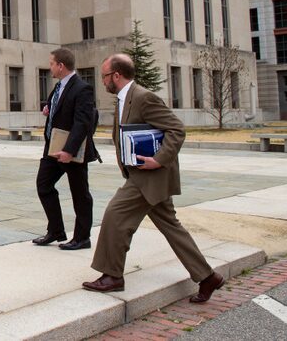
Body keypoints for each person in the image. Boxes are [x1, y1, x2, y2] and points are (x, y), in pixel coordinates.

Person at [82, 54, 224, 303]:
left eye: (104, 76)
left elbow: (176, 129)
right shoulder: (123, 99)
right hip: (144, 175)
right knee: (171, 227)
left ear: (116, 75)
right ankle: (207, 277)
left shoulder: (143, 97)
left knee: (115, 216)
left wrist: (159, 159)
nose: (102, 81)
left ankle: (113, 276)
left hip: (148, 176)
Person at [33, 48, 98, 251]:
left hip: (72, 152)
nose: (49, 66)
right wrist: (48, 109)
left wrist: (69, 150)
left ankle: (82, 237)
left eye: (51, 63)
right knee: (43, 185)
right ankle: (56, 230)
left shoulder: (82, 88)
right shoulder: (59, 86)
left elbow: (83, 122)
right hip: (53, 148)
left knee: (80, 193)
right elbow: (59, 107)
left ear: (61, 66)